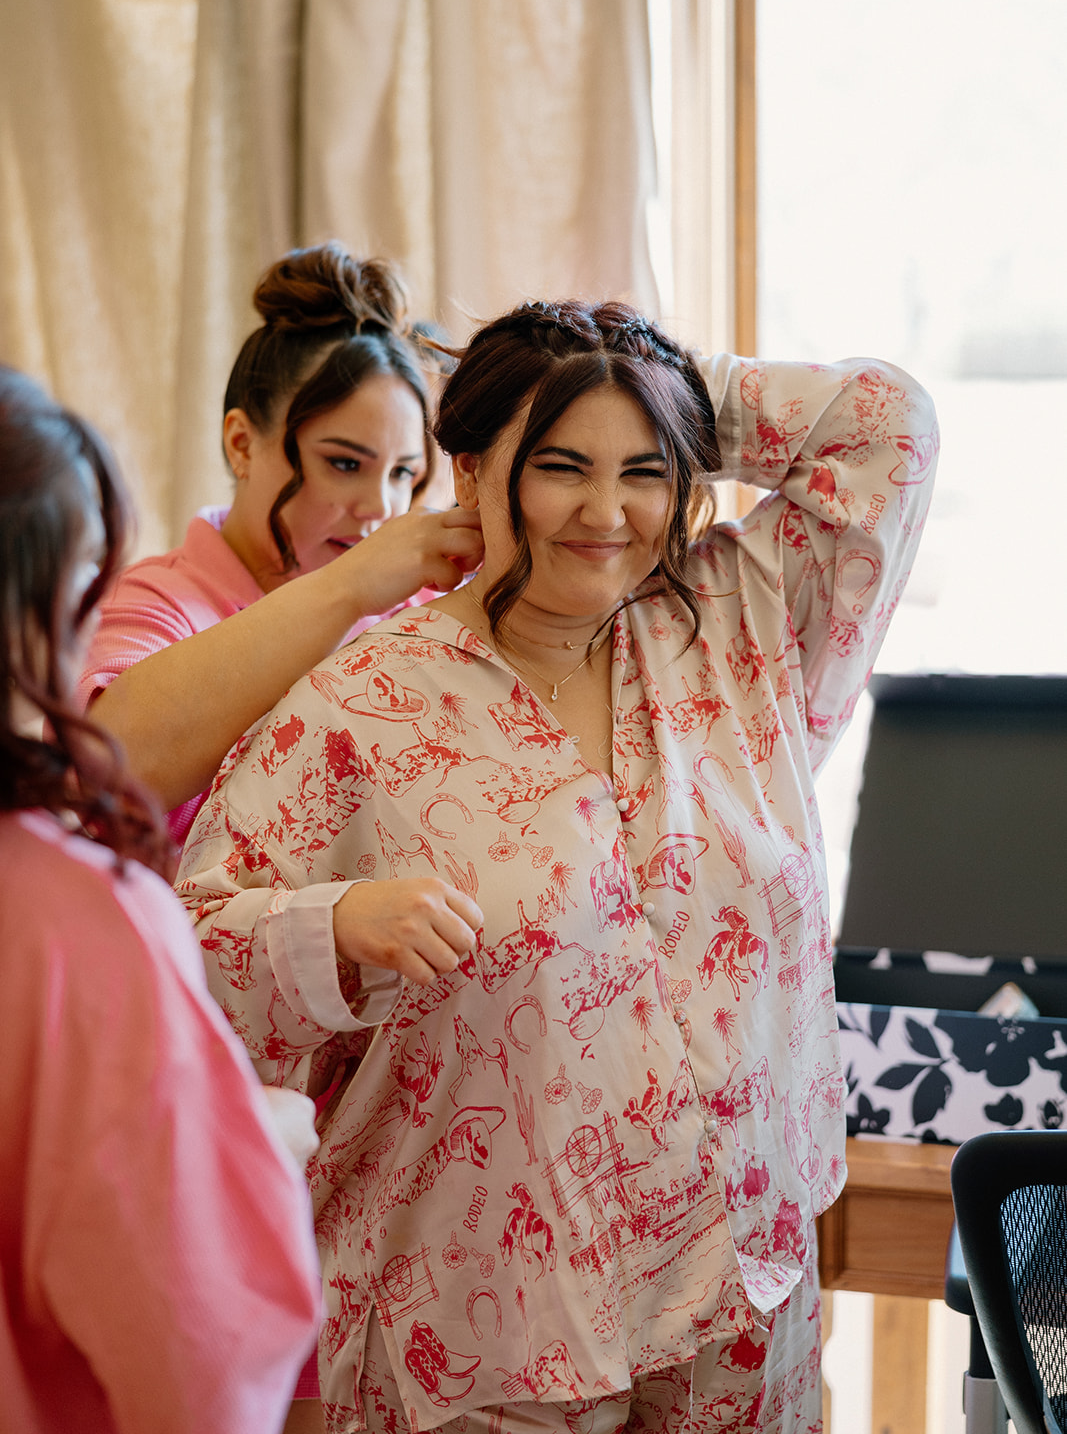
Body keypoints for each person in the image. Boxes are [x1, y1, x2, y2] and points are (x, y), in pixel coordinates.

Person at [176, 300, 939, 1432]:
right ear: (474, 471)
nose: (606, 512)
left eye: (643, 471)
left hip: (740, 1290)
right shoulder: (360, 706)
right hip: (482, 1325)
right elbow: (182, 955)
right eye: (557, 465)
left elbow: (885, 428)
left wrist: (625, 372)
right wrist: (331, 926)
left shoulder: (734, 621)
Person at [0, 364, 323, 1433]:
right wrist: (247, 1143)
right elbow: (195, 1350)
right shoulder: (69, 923)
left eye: (403, 468)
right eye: (341, 463)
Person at [78, 242, 483, 841]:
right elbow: (102, 773)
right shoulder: (154, 600)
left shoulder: (427, 612)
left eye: (403, 473)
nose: (381, 507)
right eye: (345, 464)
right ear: (242, 444)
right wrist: (347, 587)